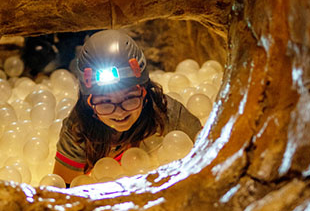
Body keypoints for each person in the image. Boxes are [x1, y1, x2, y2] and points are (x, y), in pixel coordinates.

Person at [53, 29, 202, 185]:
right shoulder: (78, 129)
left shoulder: (168, 113)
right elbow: (64, 192)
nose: (119, 112)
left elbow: (208, 161)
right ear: (89, 103)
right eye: (105, 103)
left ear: (144, 93)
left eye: (130, 98)